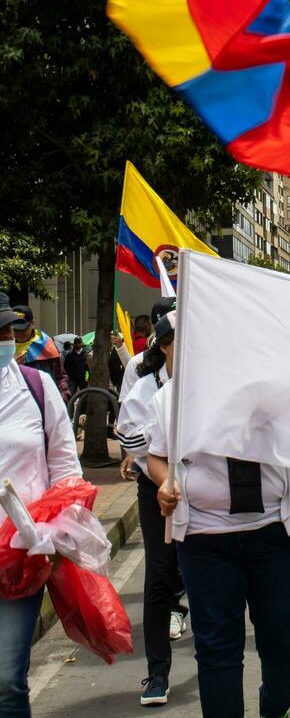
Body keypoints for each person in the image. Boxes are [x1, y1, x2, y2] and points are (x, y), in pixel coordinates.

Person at [147, 387, 290, 717]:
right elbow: (156, 456)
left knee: (287, 644)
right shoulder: (175, 395)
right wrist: (166, 483)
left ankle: (273, 707)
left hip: (272, 533)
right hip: (204, 539)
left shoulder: (276, 383)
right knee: (217, 652)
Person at [0, 293, 81, 715]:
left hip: (18, 555)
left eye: (9, 331)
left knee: (7, 679)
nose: (6, 339)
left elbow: (66, 465)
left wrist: (54, 528)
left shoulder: (36, 386)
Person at [116, 312, 188, 707]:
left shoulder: (207, 384)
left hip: (203, 491)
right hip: (155, 489)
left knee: (198, 569)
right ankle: (157, 673)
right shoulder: (146, 390)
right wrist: (164, 472)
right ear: (163, 345)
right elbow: (132, 443)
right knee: (159, 574)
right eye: (182, 338)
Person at [12, 304, 69, 402]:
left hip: (46, 401)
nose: (20, 334)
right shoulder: (6, 347)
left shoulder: (46, 344)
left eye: (24, 329)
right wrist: (12, 366)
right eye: (16, 330)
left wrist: (63, 398)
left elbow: (60, 377)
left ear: (33, 323)